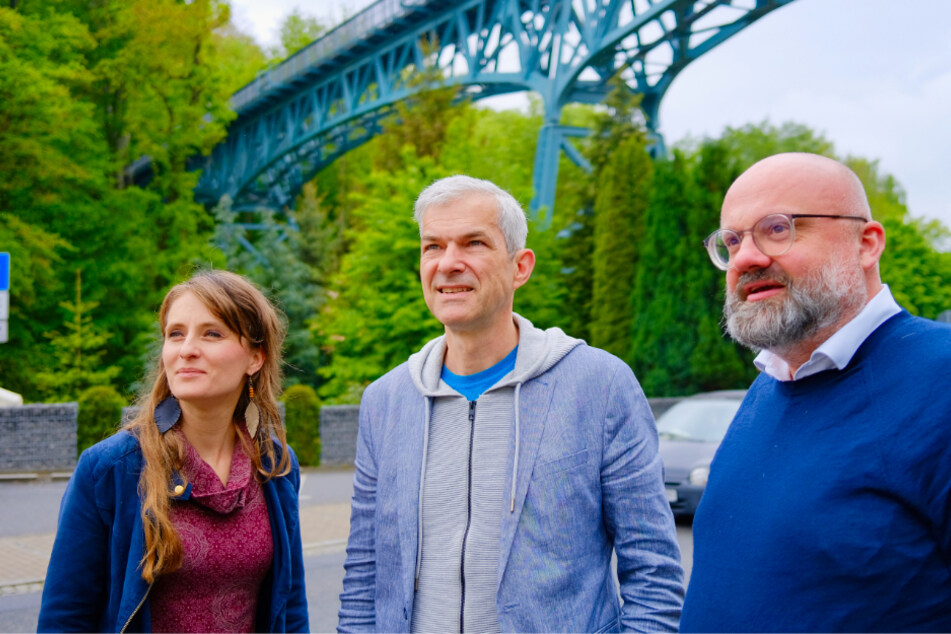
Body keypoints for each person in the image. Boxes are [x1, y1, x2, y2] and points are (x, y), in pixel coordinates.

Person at [337, 175, 684, 633]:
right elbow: (365, 575)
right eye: (432, 246)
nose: (448, 263)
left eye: (473, 243)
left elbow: (654, 573)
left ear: (521, 266)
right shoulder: (386, 400)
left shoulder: (599, 385)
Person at [681, 153, 951, 632]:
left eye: (778, 229)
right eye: (732, 241)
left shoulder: (940, 378)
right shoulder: (768, 390)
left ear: (866, 244)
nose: (746, 258)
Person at [38, 270, 309, 633]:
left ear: (254, 358)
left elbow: (290, 607)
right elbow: (65, 618)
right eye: (175, 334)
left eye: (212, 333)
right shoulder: (110, 469)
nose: (187, 349)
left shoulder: (276, 466)